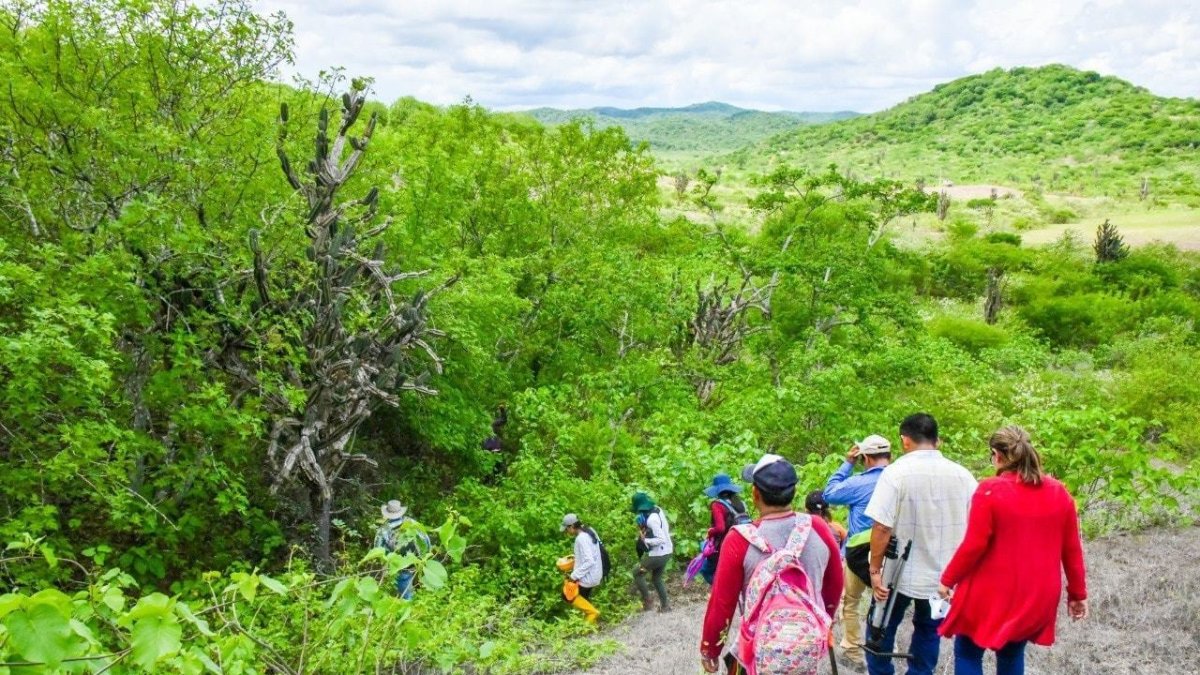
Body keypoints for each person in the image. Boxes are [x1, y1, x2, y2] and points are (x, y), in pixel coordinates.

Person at [937, 426, 1089, 675]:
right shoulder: (1058, 492)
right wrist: (1077, 594)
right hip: (1037, 593)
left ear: (996, 455)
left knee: (968, 650)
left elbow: (974, 544)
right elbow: (1072, 549)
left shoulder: (990, 490)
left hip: (994, 590)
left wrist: (947, 580)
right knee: (1011, 652)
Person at [700, 454, 844, 674]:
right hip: (804, 644)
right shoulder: (818, 528)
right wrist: (825, 621)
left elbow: (722, 603)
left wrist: (710, 649)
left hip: (759, 647)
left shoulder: (740, 539)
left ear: (755, 494)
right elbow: (835, 584)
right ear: (793, 492)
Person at [864, 413, 977, 675]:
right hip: (944, 576)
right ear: (937, 440)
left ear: (905, 441)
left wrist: (874, 571)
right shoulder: (963, 476)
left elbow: (881, 526)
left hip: (898, 572)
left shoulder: (896, 474)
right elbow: (976, 527)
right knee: (929, 632)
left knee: (881, 627)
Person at [823, 434, 893, 671]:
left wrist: (847, 464)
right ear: (890, 456)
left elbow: (829, 494)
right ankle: (883, 651)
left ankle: (853, 650)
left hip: (859, 550)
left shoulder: (859, 483)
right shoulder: (898, 480)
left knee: (851, 601)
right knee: (885, 600)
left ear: (865, 458)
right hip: (892, 551)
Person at [373, 500, 431, 599]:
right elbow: (426, 539)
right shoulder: (412, 522)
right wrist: (425, 556)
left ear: (387, 514)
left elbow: (377, 549)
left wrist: (384, 565)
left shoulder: (384, 529)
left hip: (398, 564)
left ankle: (406, 604)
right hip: (416, 560)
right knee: (410, 582)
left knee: (404, 589)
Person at [700, 473, 750, 585]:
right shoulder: (740, 503)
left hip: (726, 545)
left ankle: (719, 588)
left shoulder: (717, 505)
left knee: (706, 570)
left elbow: (720, 528)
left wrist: (710, 531)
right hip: (744, 542)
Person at [631, 491, 673, 612]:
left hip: (658, 554)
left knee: (636, 572)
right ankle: (665, 606)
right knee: (656, 578)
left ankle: (648, 601)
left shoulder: (651, 520)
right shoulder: (657, 510)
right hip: (667, 551)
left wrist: (646, 540)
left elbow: (661, 539)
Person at [560, 513, 602, 623]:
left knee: (567, 595)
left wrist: (573, 576)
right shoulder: (590, 531)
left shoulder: (581, 539)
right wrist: (576, 558)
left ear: (572, 526)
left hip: (588, 577)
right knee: (584, 599)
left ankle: (593, 614)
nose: (566, 532)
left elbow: (589, 561)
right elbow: (593, 553)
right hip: (596, 572)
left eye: (566, 529)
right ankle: (591, 626)